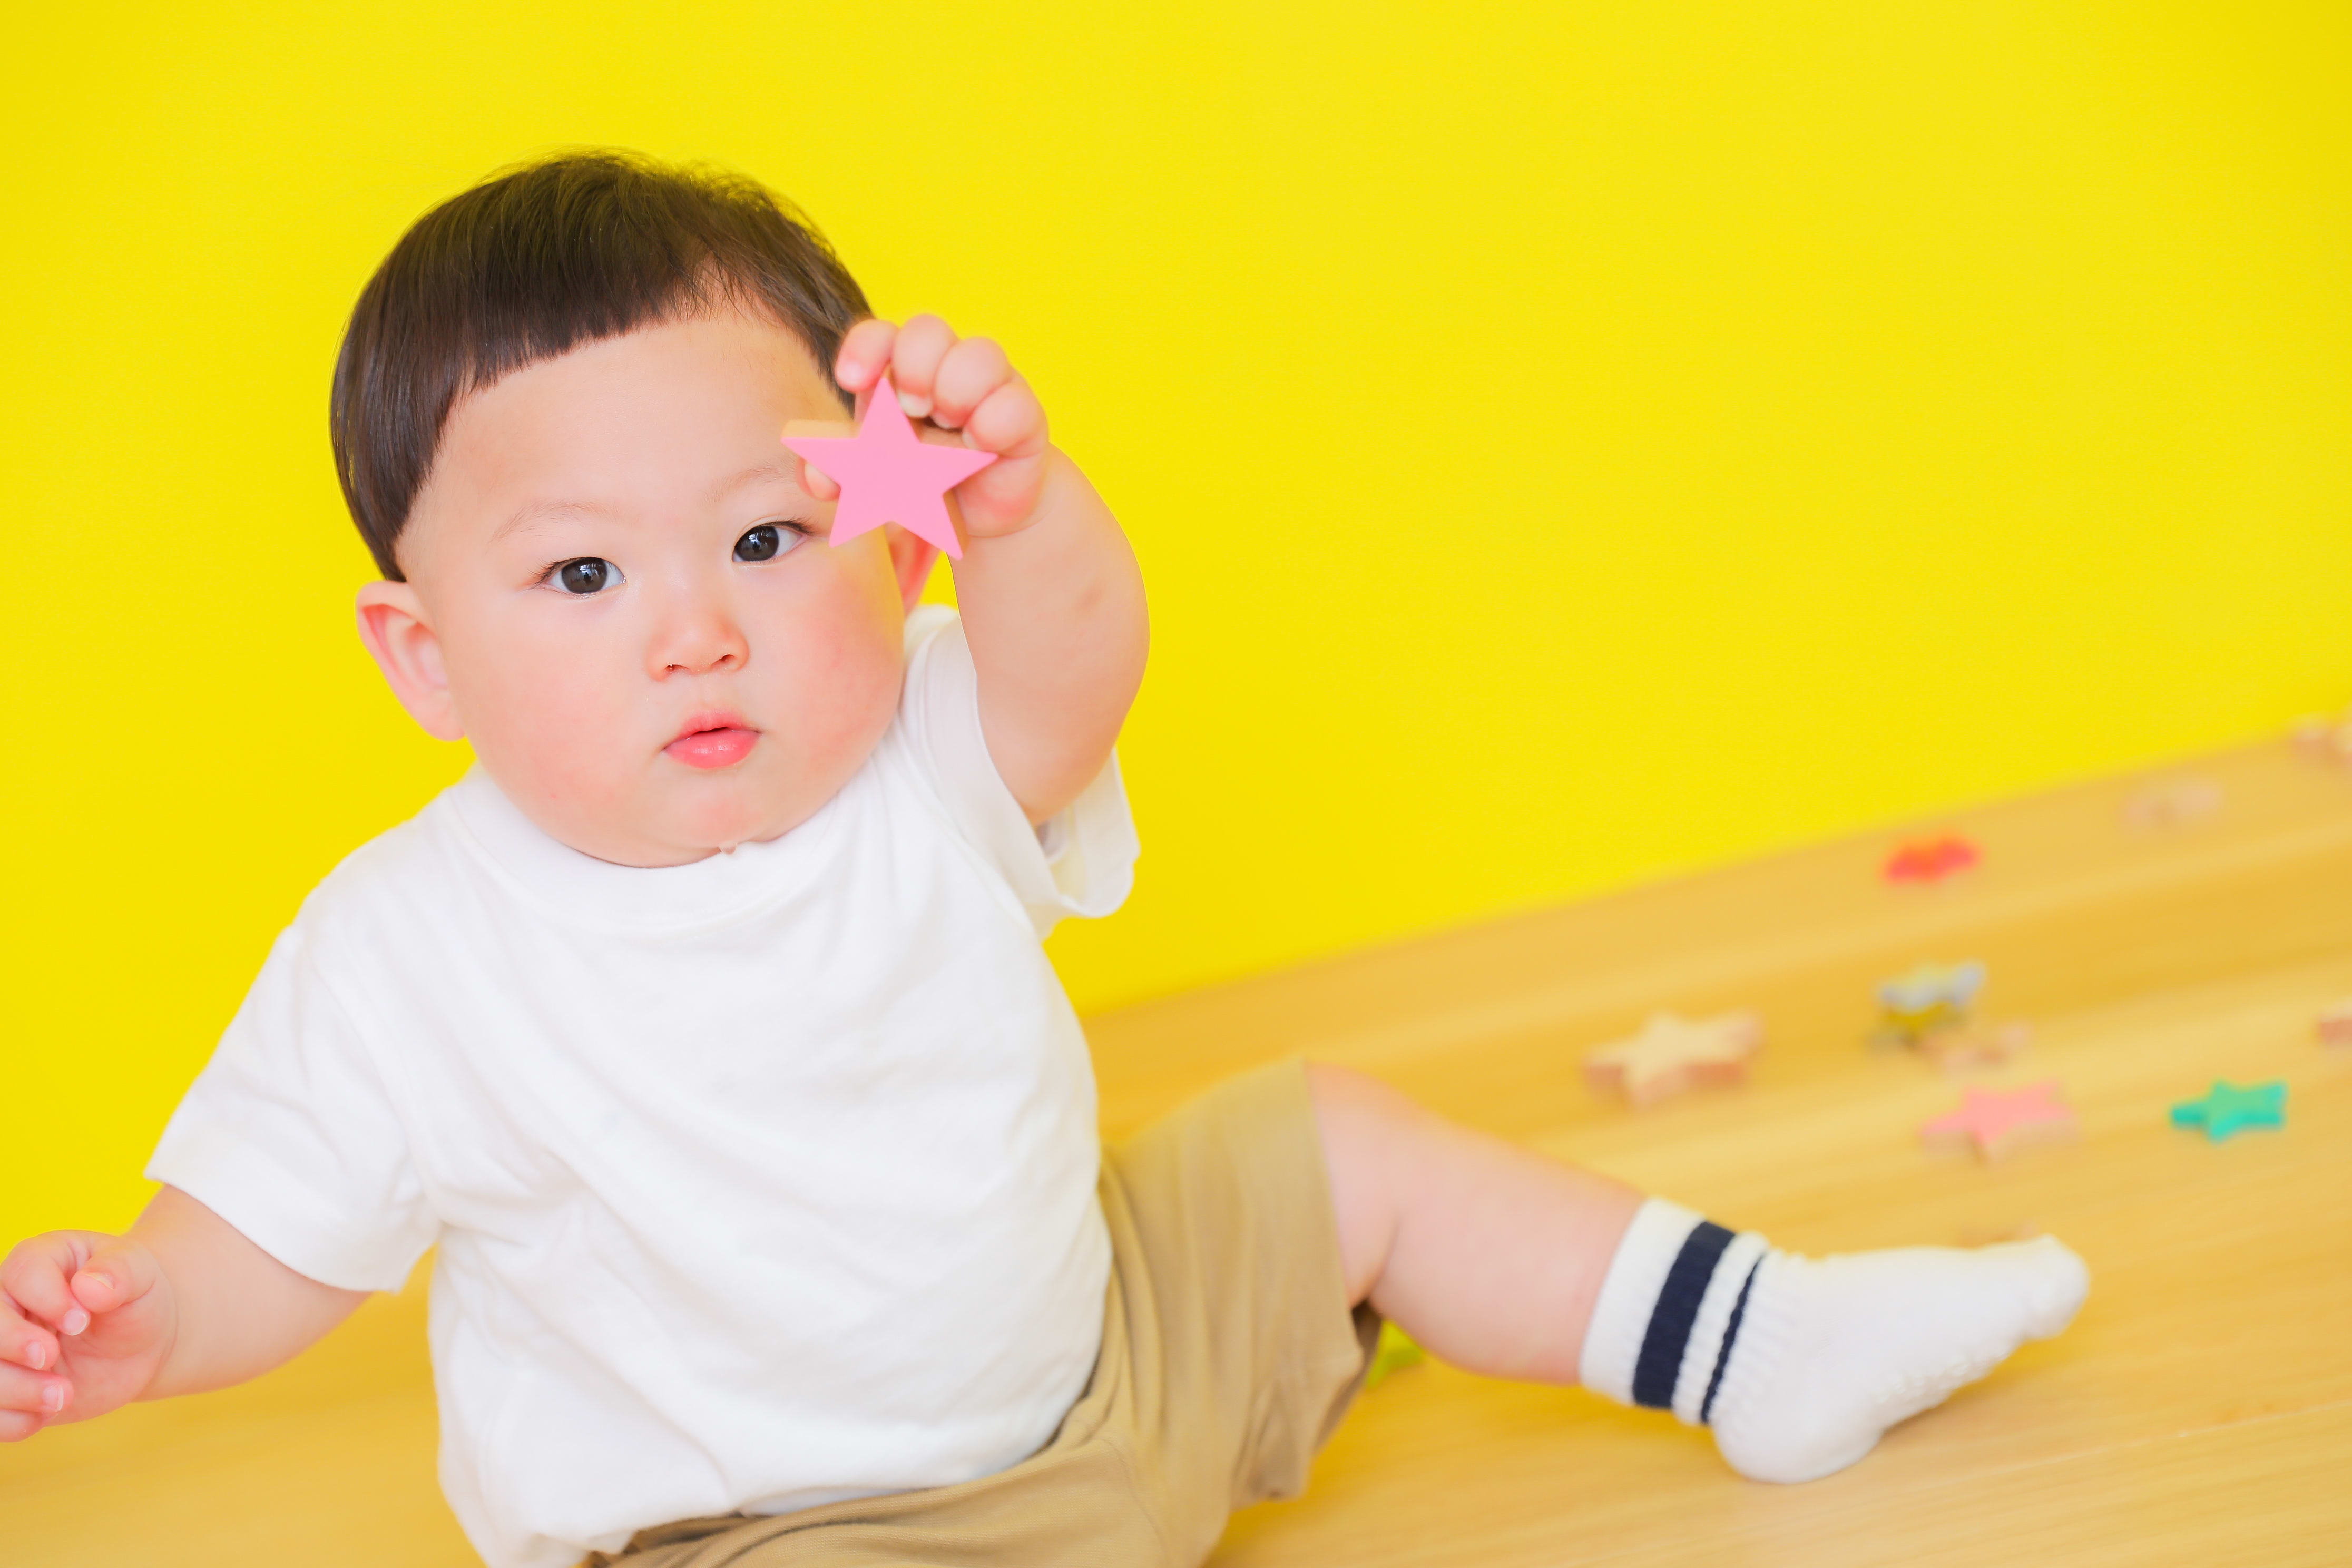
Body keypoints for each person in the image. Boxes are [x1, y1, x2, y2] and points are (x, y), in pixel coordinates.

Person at [0, 153, 2089, 1568]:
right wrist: (147, 1315)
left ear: (884, 537)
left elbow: (1077, 668)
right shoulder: (412, 950)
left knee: (1333, 1142)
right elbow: (276, 1229)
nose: (697, 627)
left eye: (761, 537)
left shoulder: (918, 736)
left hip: (1115, 1366)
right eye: (579, 574)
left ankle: (1761, 1347)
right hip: (775, 1538)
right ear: (423, 656)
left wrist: (1024, 504)